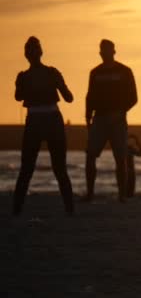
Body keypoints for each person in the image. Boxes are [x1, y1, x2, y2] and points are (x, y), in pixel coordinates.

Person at [12, 37, 75, 216]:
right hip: (52, 120)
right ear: (41, 53)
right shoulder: (51, 72)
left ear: (26, 55)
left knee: (26, 169)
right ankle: (69, 210)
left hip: (35, 120)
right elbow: (69, 97)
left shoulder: (23, 76)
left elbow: (18, 97)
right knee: (59, 169)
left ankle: (17, 210)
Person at [84, 39, 138, 202]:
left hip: (118, 120)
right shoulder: (95, 73)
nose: (105, 53)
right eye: (102, 50)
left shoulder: (125, 71)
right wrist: (88, 116)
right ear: (100, 53)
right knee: (90, 156)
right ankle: (90, 194)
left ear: (113, 52)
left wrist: (120, 111)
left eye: (108, 50)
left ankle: (122, 195)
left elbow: (133, 97)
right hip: (99, 119)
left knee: (120, 158)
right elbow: (90, 96)